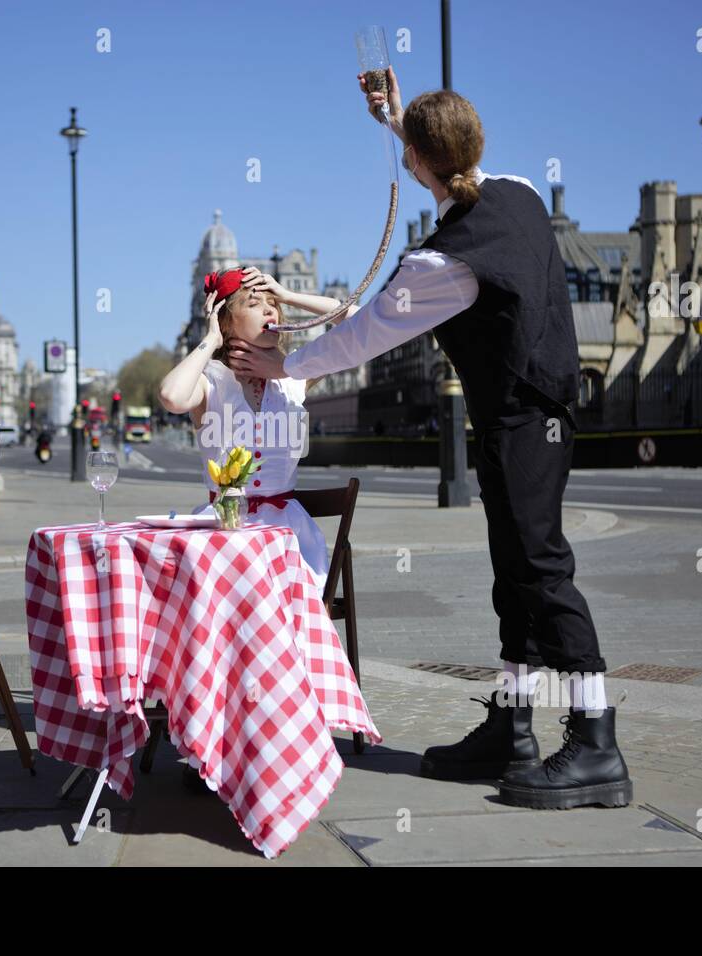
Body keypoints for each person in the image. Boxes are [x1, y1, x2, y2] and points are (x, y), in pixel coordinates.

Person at [228, 66, 631, 811]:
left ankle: (596, 740)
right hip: (538, 410)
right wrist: (394, 119)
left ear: (417, 162)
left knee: (541, 568)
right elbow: (444, 164)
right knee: (514, 568)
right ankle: (512, 728)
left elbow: (359, 340)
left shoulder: (442, 263)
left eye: (409, 150)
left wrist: (285, 361)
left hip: (519, 416)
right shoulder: (518, 190)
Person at [158, 266, 343, 594]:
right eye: (255, 303)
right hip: (223, 531)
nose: (271, 309)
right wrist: (210, 338)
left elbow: (356, 323)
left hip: (288, 536)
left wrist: (290, 295)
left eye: (274, 304)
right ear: (226, 321)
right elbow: (172, 396)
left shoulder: (296, 377)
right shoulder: (211, 382)